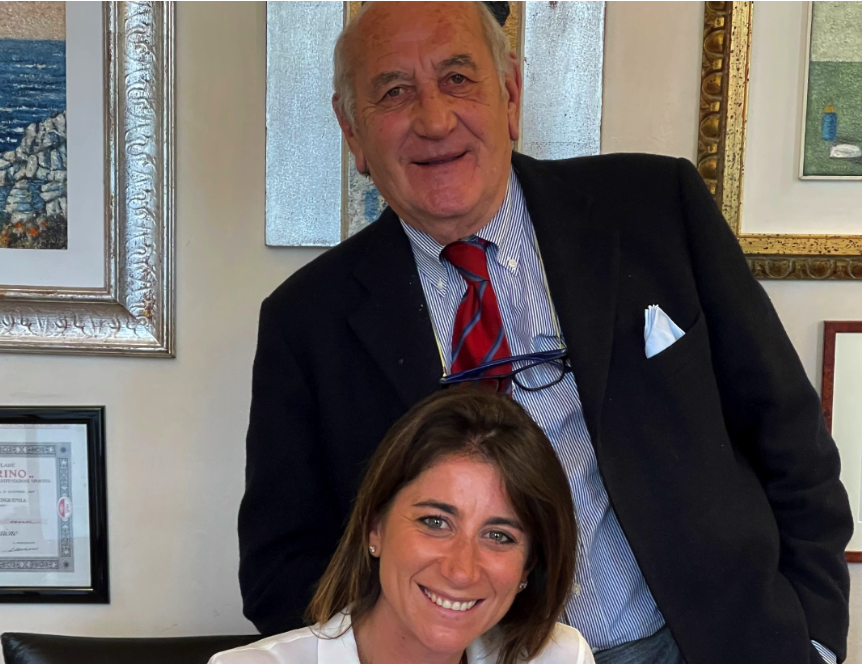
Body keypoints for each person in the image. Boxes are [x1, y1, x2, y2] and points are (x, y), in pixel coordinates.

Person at [238, 2, 853, 663]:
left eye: (457, 78)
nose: (434, 119)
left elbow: (789, 437)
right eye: (394, 91)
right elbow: (283, 567)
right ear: (352, 131)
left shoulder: (655, 205)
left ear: (509, 94)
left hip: (711, 645)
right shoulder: (306, 320)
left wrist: (815, 638)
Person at [217, 390, 592, 664]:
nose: (461, 570)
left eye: (499, 536)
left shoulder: (558, 657)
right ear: (374, 528)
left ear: (528, 566)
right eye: (435, 522)